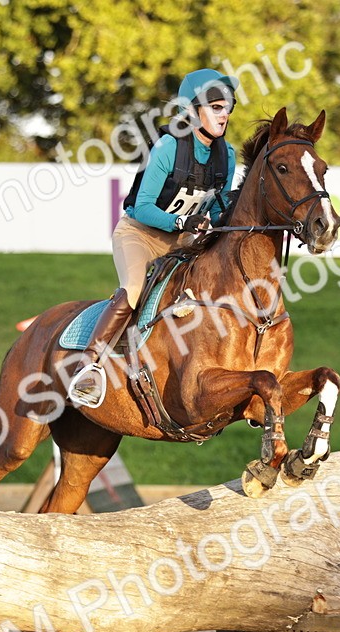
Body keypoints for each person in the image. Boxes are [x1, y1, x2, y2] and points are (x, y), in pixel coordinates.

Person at [67, 68, 238, 409]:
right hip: (141, 234)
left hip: (185, 242)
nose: (225, 115)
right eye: (216, 107)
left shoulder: (227, 155)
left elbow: (218, 208)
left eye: (228, 107)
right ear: (191, 110)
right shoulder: (168, 147)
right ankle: (87, 366)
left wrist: (220, 218)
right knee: (133, 289)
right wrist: (182, 220)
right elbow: (143, 207)